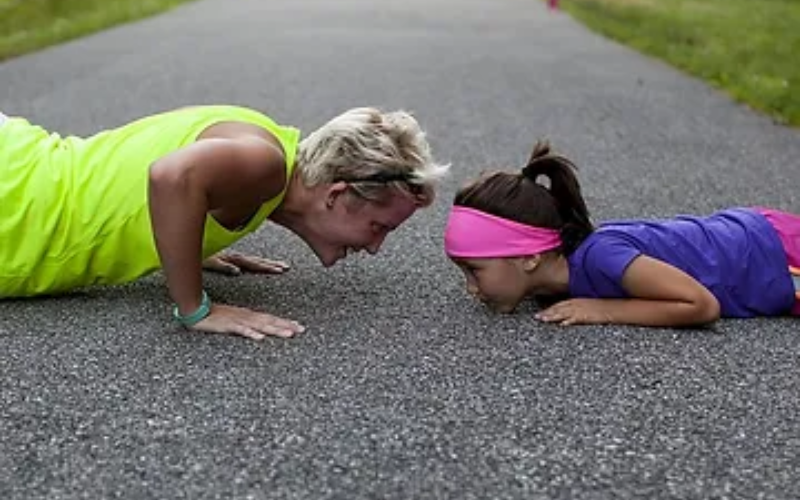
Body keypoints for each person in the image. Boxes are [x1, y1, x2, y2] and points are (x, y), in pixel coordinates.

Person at [0, 105, 449, 340]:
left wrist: (188, 241)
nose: (375, 248)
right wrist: (196, 307)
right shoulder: (265, 164)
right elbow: (170, 176)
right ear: (337, 195)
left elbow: (155, 171)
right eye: (379, 227)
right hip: (17, 205)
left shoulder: (266, 148)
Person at [443, 140, 800, 328]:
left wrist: (604, 310)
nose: (471, 287)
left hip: (776, 255)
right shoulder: (556, 282)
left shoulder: (602, 257)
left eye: (475, 270)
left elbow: (701, 305)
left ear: (530, 256)